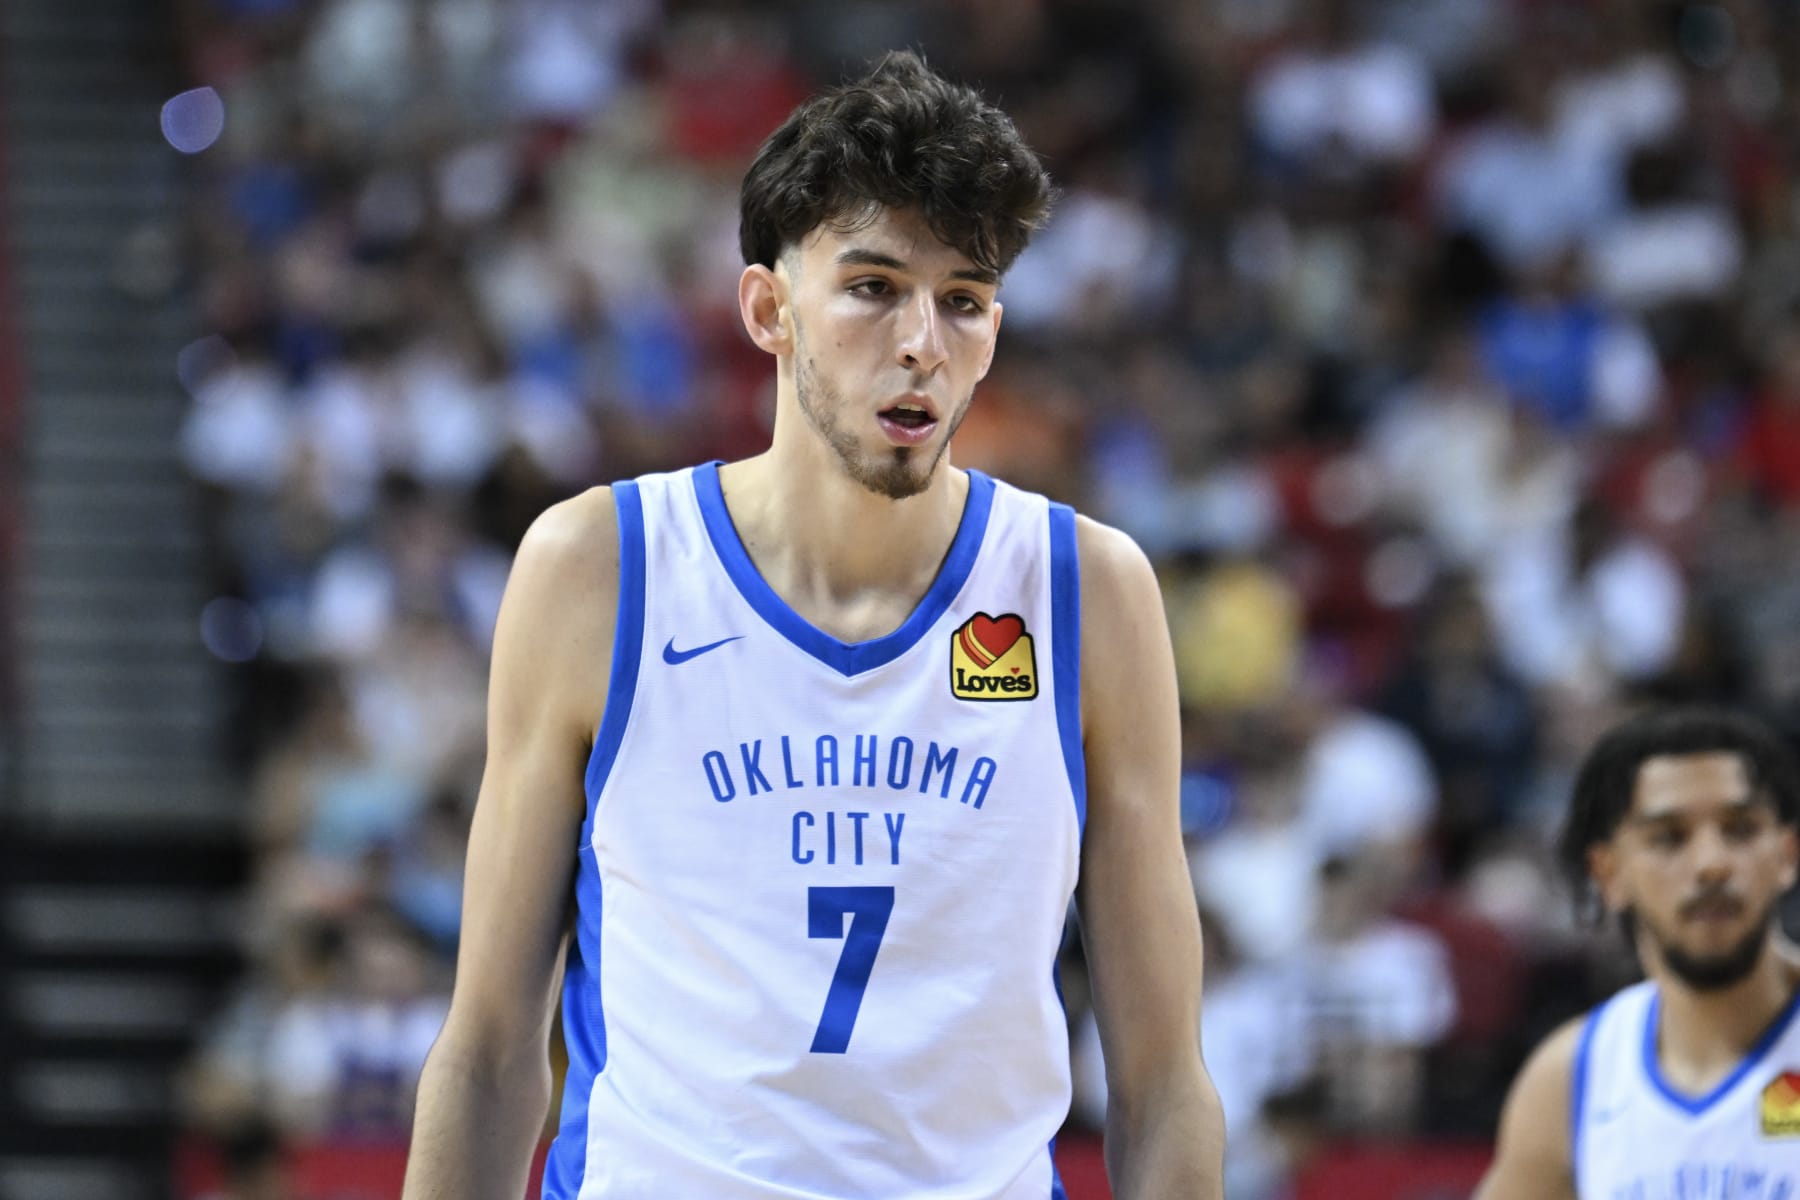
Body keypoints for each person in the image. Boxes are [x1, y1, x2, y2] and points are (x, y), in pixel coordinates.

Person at [401, 51, 1224, 1200]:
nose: (922, 344)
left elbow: (1165, 1083)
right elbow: (490, 1053)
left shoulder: (1087, 589)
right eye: (874, 287)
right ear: (767, 308)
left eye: (965, 301)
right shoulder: (600, 570)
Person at [1476, 706, 1800, 1199]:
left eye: (1739, 829)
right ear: (1608, 874)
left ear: (1786, 854)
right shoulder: (1572, 1078)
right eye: (1669, 838)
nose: (1711, 864)